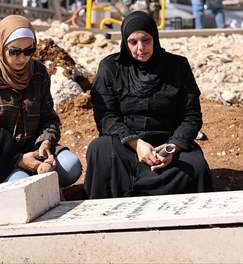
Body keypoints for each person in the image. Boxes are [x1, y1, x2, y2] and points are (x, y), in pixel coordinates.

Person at [0, 15, 82, 194]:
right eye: (14, 51)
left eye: (29, 51)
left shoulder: (38, 73)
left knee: (71, 166)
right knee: (22, 184)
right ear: (2, 47)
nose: (22, 58)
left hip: (32, 148)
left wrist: (45, 142)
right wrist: (17, 159)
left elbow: (49, 118)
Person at [84, 11, 213, 199]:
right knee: (99, 150)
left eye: (146, 40)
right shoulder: (111, 68)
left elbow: (191, 117)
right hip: (126, 144)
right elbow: (106, 117)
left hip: (168, 143)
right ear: (124, 42)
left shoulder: (177, 66)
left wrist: (171, 147)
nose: (140, 48)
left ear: (155, 38)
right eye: (133, 42)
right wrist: (136, 144)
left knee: (196, 166)